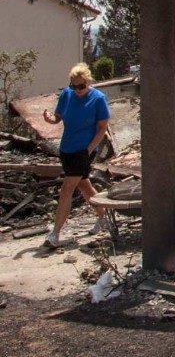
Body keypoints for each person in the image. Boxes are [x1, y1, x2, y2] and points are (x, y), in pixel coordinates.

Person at [41, 63, 110, 249]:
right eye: (74, 86)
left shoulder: (98, 99)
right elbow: (58, 117)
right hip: (67, 148)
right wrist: (50, 119)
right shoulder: (67, 94)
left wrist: (89, 149)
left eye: (81, 86)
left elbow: (102, 128)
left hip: (84, 150)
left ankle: (55, 234)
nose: (77, 90)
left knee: (66, 189)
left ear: (88, 82)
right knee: (83, 184)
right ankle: (104, 217)